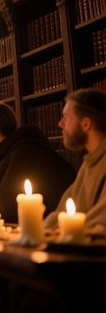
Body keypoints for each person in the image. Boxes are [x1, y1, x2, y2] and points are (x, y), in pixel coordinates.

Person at [44, 88, 106, 232]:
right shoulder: (89, 162)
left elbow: (99, 221)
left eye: (66, 117)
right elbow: (61, 213)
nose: (60, 124)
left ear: (85, 124)